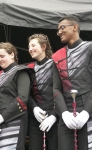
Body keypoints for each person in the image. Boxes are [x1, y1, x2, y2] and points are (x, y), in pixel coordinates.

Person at [52, 15, 92, 150]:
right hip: (66, 112)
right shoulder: (57, 56)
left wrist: (86, 112)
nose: (59, 32)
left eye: (62, 28)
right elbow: (56, 88)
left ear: (75, 27)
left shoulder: (90, 48)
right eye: (58, 30)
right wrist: (64, 113)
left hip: (89, 108)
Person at [0, 42, 34, 150]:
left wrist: (2, 117)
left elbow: (23, 98)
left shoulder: (21, 71)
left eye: (2, 56)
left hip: (14, 119)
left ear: (12, 54)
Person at [27, 34, 58, 150]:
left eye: (33, 45)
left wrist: (54, 116)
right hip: (36, 118)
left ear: (44, 46)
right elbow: (27, 94)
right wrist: (34, 108)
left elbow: (63, 92)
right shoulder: (29, 68)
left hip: (56, 117)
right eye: (29, 46)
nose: (30, 49)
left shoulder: (55, 65)